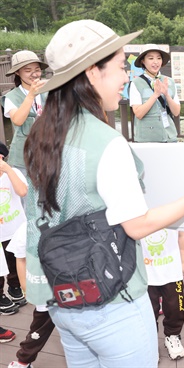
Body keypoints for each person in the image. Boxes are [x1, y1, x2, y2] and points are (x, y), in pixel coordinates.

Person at [23, 19, 184, 367]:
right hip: (111, 302)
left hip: (61, 296)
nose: (126, 77)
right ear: (92, 73)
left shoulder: (41, 135)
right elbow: (136, 225)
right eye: (121, 66)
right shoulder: (107, 142)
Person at [6, 223, 55, 368]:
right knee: (39, 330)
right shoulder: (27, 228)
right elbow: (20, 258)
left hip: (77, 289)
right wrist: (26, 288)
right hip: (45, 290)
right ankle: (23, 360)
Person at [141, 229, 184, 360]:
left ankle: (172, 335)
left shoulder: (172, 210)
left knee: (176, 307)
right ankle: (151, 342)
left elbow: (181, 235)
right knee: (149, 310)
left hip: (172, 271)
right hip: (146, 273)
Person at [1, 51, 48, 176]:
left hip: (48, 152)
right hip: (23, 157)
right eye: (27, 70)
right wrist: (31, 95)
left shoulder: (48, 91)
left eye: (37, 70)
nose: (34, 74)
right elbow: (17, 120)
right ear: (17, 72)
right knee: (26, 193)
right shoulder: (11, 97)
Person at [130, 44, 181, 143]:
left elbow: (176, 112)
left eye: (158, 58)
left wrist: (166, 94)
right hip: (147, 139)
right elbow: (139, 113)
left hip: (169, 137)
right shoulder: (136, 83)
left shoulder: (169, 81)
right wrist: (155, 95)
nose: (155, 62)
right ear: (143, 61)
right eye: (151, 58)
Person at [0, 142, 27, 315]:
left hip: (15, 227)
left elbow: (23, 191)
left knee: (15, 258)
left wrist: (9, 171)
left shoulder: (13, 173)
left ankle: (15, 287)